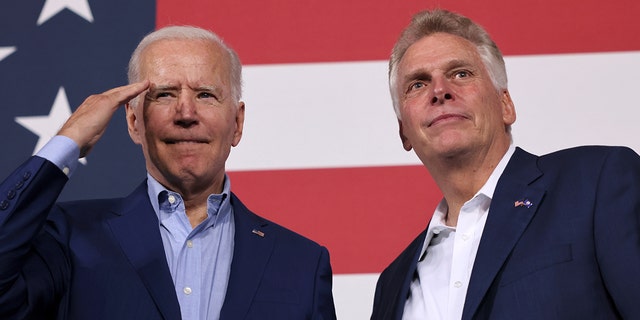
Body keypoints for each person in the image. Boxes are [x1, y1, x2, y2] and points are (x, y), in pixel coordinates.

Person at [0, 25, 336, 320]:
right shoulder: (70, 238)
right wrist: (67, 141)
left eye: (206, 95)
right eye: (164, 94)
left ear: (237, 123)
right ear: (134, 121)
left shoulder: (302, 264)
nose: (186, 113)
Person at [370, 9, 640, 320]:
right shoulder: (391, 285)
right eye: (417, 84)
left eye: (461, 73)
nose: (439, 91)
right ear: (404, 131)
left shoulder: (596, 183)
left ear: (505, 105)